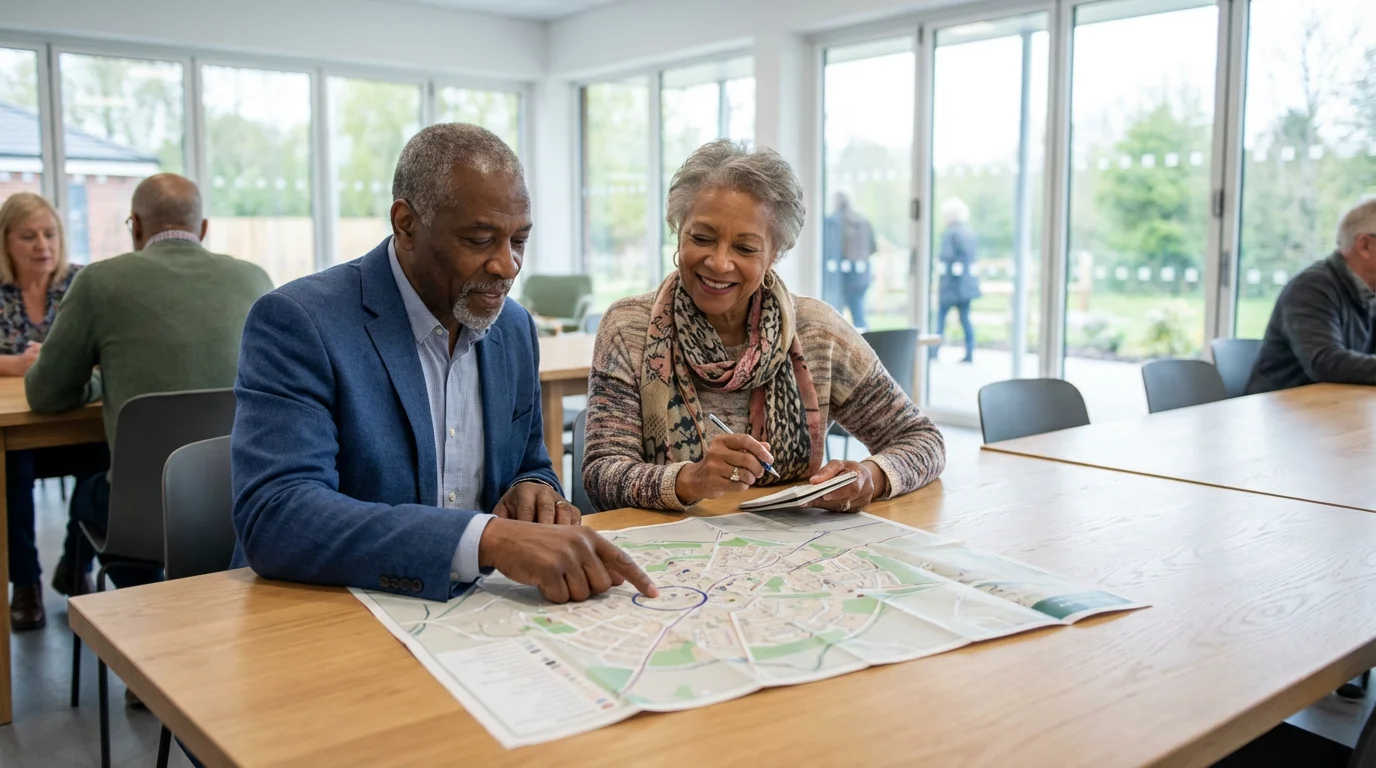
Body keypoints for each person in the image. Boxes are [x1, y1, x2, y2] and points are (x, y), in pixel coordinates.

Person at [231, 123, 656, 606]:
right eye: (479, 240)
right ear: (406, 224)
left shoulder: (513, 328)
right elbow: (278, 516)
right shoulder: (300, 322)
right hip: (328, 611)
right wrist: (487, 539)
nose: (507, 265)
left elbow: (529, 463)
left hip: (474, 615)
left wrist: (534, 489)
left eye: (519, 240)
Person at [582, 139, 946, 513]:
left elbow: (922, 439)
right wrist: (691, 478)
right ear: (678, 231)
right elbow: (601, 474)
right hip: (668, 554)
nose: (719, 263)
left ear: (775, 254)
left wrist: (871, 475)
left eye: (745, 248)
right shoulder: (629, 327)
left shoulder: (817, 332)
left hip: (792, 553)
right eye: (702, 238)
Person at [26, 173, 274, 604]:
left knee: (88, 493)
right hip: (239, 502)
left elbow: (46, 394)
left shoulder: (99, 281)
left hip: (140, 518)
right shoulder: (254, 280)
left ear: (135, 226)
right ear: (203, 229)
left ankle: (142, 610)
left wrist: (103, 381)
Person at [0, 193, 107, 631]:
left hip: (73, 422)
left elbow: (106, 351)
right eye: (28, 236)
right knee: (13, 468)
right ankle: (25, 583)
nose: (42, 245)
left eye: (50, 234)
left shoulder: (81, 283)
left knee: (104, 455)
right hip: (21, 431)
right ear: (6, 242)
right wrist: (12, 364)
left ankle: (74, 561)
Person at [1247, 198, 1376, 394]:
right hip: (1281, 416)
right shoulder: (1310, 289)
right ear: (1365, 246)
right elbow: (1326, 363)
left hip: (1337, 411)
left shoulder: (1370, 292)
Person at [933, 197, 981, 364]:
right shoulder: (969, 232)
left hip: (951, 286)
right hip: (966, 286)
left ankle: (933, 351)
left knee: (940, 318)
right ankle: (970, 352)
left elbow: (946, 257)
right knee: (965, 319)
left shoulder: (951, 233)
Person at [821, 190, 877, 330]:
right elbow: (873, 248)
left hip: (840, 277)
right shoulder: (863, 221)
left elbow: (829, 250)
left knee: (834, 318)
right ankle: (866, 349)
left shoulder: (832, 222)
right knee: (859, 316)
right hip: (862, 276)